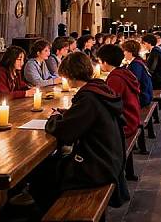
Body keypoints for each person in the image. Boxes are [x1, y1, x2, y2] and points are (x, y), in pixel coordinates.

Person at [31, 52, 128, 214]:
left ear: (71, 75)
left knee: (41, 175)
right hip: (109, 158)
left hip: (98, 166)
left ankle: (50, 214)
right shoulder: (97, 89)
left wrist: (54, 118)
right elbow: (80, 119)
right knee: (51, 166)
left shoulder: (89, 98)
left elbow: (65, 132)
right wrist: (67, 114)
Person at [98, 44, 141, 138]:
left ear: (104, 62)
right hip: (132, 117)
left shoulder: (115, 78)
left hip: (126, 123)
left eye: (99, 61)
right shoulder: (123, 71)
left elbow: (110, 104)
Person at [122, 39, 153, 107]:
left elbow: (133, 83)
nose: (123, 53)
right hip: (145, 94)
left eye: (124, 51)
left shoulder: (136, 65)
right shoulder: (137, 60)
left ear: (130, 52)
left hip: (143, 97)